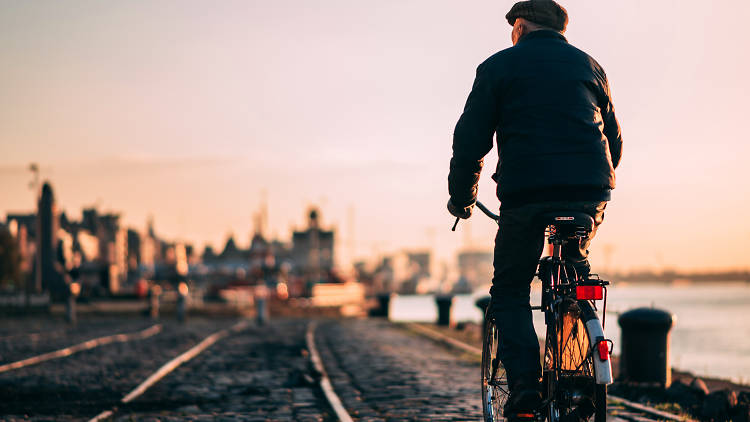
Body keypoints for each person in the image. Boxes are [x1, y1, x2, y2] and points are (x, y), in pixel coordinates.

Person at [447, 0, 622, 418]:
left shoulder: (498, 67)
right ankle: (576, 377)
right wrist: (593, 182)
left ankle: (525, 389)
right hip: (588, 190)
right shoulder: (590, 66)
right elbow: (613, 140)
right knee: (575, 274)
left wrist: (463, 196)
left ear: (521, 28)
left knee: (509, 289)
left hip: (526, 193)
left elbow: (471, 140)